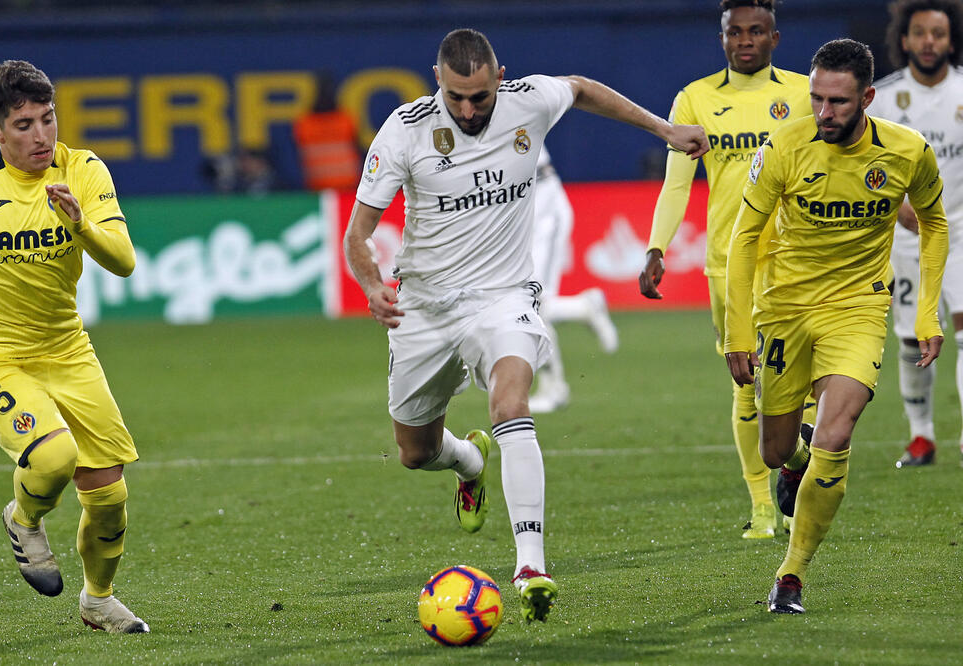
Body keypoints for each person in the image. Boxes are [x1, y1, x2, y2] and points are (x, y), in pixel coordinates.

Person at [344, 28, 707, 622]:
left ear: (500, 78)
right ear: (437, 81)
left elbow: (582, 89)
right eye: (456, 97)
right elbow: (358, 234)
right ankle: (469, 462)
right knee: (415, 452)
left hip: (504, 296)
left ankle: (530, 567)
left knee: (511, 403)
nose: (468, 111)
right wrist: (371, 284)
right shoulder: (404, 130)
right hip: (425, 309)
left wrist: (666, 130)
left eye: (479, 97)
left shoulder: (529, 101)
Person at [724, 39, 948, 613]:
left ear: (867, 98)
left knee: (837, 432)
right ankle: (795, 461)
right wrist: (737, 332)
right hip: (786, 308)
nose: (824, 112)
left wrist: (925, 311)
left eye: (838, 102)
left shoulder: (907, 152)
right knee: (775, 451)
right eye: (816, 98)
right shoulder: (784, 146)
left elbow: (934, 223)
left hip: (858, 307)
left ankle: (791, 575)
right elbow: (744, 239)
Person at [0, 60, 148, 633]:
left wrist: (81, 225)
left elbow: (124, 261)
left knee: (109, 495)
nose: (41, 135)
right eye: (23, 125)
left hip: (66, 348)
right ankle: (23, 518)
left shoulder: (82, 169)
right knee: (52, 457)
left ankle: (99, 601)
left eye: (47, 119)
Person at [639, 0, 812, 539]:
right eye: (735, 31)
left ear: (774, 38)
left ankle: (797, 481)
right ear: (722, 39)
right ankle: (763, 508)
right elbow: (676, 184)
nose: (745, 40)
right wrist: (656, 247)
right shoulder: (696, 99)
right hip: (727, 263)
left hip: (793, 259)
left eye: (756, 31)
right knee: (746, 384)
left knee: (803, 382)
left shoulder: (803, 94)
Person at [871, 0, 963, 468]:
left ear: (951, 41)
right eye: (921, 33)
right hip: (907, 240)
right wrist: (893, 201)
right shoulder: (884, 99)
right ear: (904, 40)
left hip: (961, 233)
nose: (930, 42)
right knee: (912, 340)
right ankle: (921, 435)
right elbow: (863, 164)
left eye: (938, 34)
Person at [528, 145, 619, 414]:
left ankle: (554, 389)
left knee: (532, 303)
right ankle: (583, 307)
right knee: (522, 302)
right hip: (513, 209)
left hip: (541, 203)